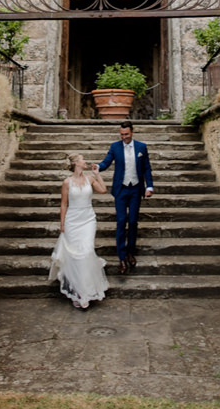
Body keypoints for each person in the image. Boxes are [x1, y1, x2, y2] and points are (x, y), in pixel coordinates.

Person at [49, 154, 109, 309]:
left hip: (88, 220)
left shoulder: (90, 179)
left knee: (87, 251)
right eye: (83, 159)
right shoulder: (67, 182)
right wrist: (62, 224)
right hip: (72, 221)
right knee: (74, 257)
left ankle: (88, 289)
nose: (86, 161)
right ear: (76, 163)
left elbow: (103, 190)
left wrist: (97, 175)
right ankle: (79, 292)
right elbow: (63, 204)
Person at [96, 120, 154, 275]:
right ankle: (121, 257)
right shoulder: (115, 146)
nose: (124, 137)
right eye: (122, 135)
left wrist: (149, 186)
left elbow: (147, 168)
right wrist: (98, 167)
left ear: (132, 132)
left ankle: (130, 252)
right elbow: (107, 162)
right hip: (121, 189)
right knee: (121, 221)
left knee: (133, 222)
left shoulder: (141, 147)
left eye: (126, 134)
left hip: (136, 189)